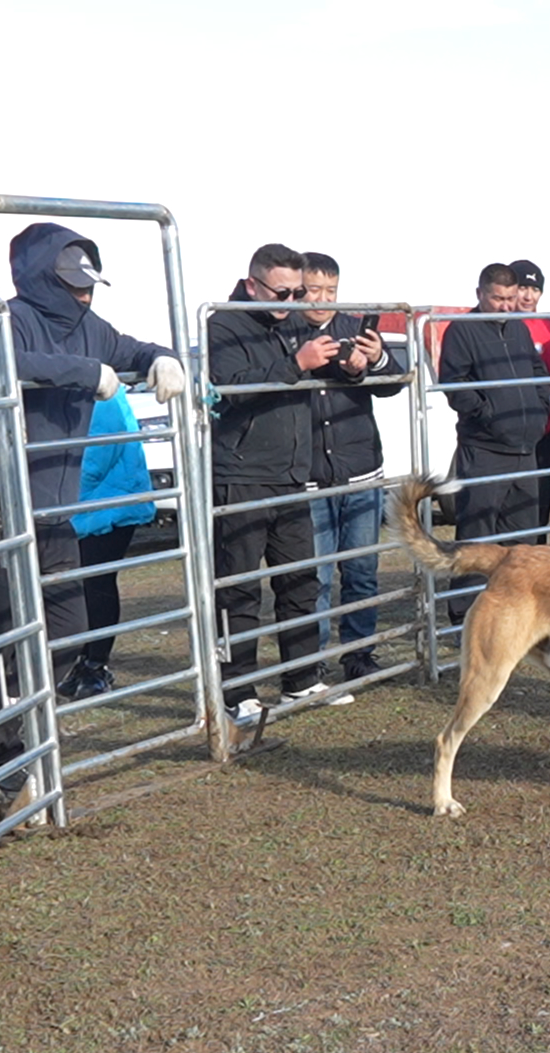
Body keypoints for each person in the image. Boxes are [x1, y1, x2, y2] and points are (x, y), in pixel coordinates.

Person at [0, 223, 185, 797]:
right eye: (71, 283)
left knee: (68, 630)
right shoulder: (8, 318)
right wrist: (84, 373)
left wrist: (162, 359)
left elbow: (131, 348)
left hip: (51, 509)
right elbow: (5, 365)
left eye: (89, 283)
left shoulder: (91, 328)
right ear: (40, 277)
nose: (84, 294)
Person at [207, 243, 351, 725]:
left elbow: (318, 365)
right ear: (252, 284)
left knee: (299, 580)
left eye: (298, 293)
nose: (292, 302)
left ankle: (301, 678)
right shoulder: (221, 325)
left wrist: (353, 365)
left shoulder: (289, 321)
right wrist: (297, 365)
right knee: (240, 589)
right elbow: (232, 387)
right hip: (240, 475)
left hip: (291, 475)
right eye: (283, 291)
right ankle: (236, 690)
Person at [298, 252, 404, 684]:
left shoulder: (355, 329)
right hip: (307, 474)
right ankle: (313, 661)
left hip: (361, 468)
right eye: (312, 290)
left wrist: (375, 361)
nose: (321, 299)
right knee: (315, 577)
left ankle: (360, 655)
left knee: (361, 572)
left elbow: (394, 383)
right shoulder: (282, 330)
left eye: (330, 291)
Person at [438, 262, 549, 622]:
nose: (505, 305)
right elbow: (454, 385)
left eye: (510, 298)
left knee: (524, 538)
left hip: (525, 449)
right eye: (497, 298)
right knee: (476, 537)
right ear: (480, 294)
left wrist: (539, 402)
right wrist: (487, 415)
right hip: (485, 450)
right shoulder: (461, 332)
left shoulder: (517, 328)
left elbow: (535, 368)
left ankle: (519, 614)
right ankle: (463, 617)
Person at [61, 388, 156, 700]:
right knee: (85, 585)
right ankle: (84, 662)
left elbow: (99, 453)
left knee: (97, 583)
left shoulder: (103, 393)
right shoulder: (83, 390)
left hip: (108, 503)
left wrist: (61, 489)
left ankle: (96, 664)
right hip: (94, 504)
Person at [508, 259, 550, 540]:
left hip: (541, 436)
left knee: (538, 507)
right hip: (502, 435)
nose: (528, 295)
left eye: (534, 288)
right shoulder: (491, 327)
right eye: (522, 287)